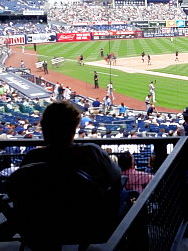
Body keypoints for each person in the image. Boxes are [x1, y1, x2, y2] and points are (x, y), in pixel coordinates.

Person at [15, 101, 121, 242]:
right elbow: (116, 178)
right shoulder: (92, 152)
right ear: (74, 127)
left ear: (45, 127)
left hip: (40, 228)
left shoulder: (32, 157)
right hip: (87, 225)